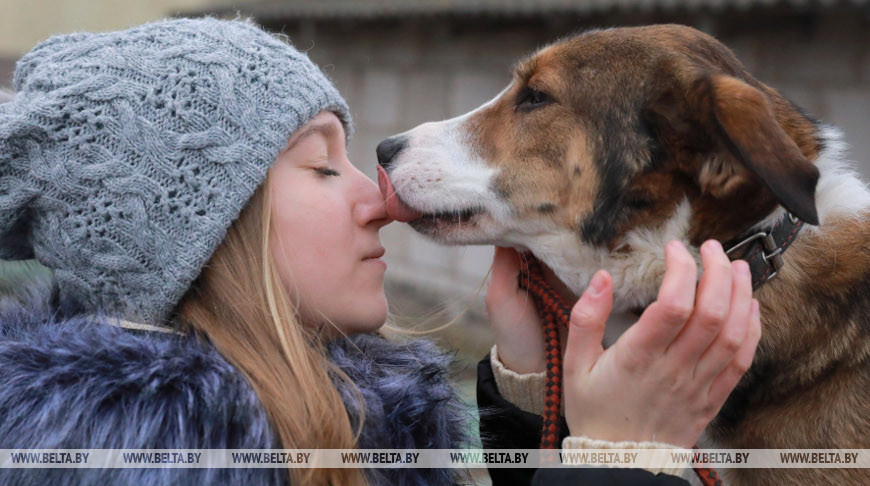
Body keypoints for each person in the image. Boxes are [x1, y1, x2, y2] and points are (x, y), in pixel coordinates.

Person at [0, 16, 759, 486]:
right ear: (209, 236)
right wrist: (622, 462)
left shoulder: (338, 421)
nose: (378, 198)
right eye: (324, 166)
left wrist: (531, 397)